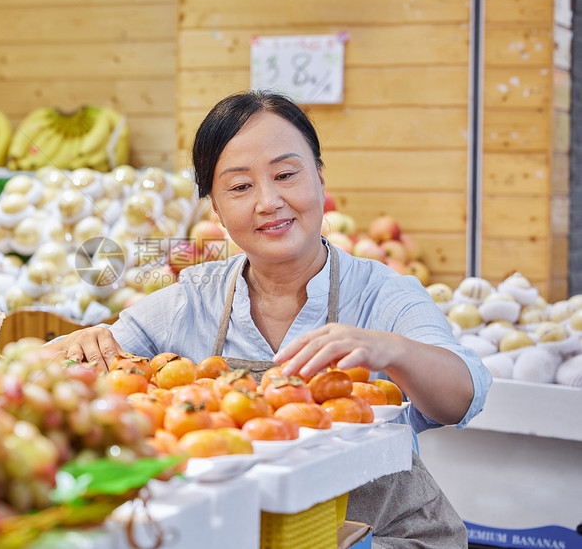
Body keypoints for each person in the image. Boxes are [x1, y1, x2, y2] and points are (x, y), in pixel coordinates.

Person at [48, 90, 491, 548]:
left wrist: (392, 349)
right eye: (240, 187)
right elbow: (90, 360)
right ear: (215, 211)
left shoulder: (382, 292)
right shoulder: (193, 299)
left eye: (285, 175)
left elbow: (460, 398)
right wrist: (89, 342)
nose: (269, 201)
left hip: (383, 539)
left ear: (320, 180)